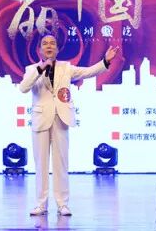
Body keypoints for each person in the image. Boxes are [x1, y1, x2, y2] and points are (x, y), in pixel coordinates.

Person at [19, 34, 119, 216]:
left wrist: (105, 61)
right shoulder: (32, 69)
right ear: (39, 50)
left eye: (52, 43)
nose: (49, 46)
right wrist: (41, 68)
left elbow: (88, 72)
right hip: (41, 119)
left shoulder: (66, 68)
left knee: (61, 164)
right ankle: (41, 204)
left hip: (61, 118)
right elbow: (23, 87)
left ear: (57, 49)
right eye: (45, 44)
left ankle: (62, 204)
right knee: (41, 165)